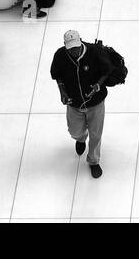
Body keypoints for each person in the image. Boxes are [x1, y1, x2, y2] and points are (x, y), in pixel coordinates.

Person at [50, 30, 124, 179]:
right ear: (65, 46)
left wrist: (98, 85)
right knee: (74, 131)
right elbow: (56, 75)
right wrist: (62, 92)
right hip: (74, 104)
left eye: (76, 47)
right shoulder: (60, 55)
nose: (74, 51)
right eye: (71, 49)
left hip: (95, 103)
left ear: (81, 41)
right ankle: (81, 138)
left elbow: (107, 70)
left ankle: (94, 161)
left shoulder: (95, 52)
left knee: (96, 135)